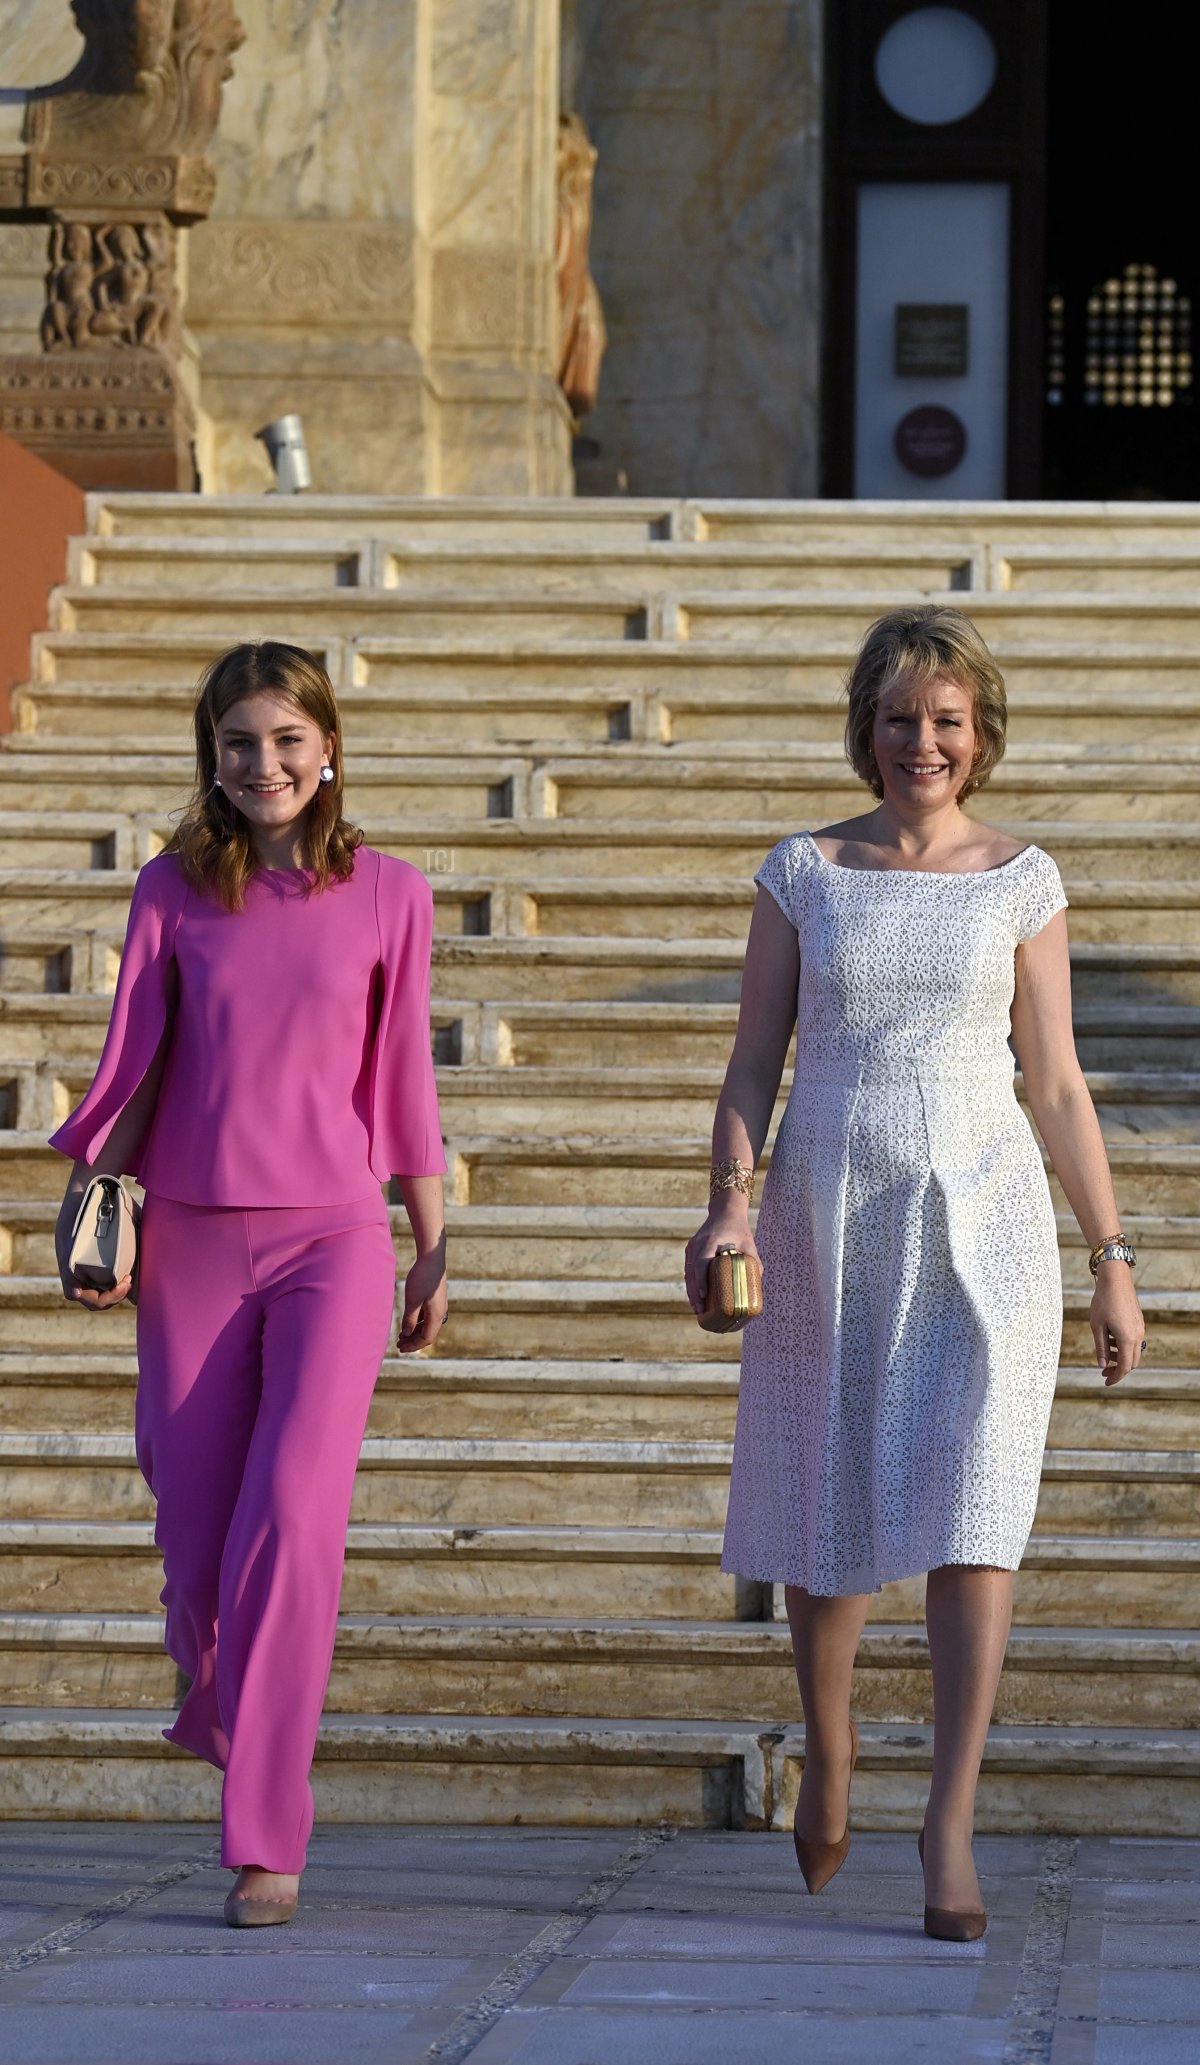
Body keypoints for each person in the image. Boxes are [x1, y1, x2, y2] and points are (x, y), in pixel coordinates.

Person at [685, 605, 1145, 1941]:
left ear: (980, 734)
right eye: (898, 717)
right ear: (865, 731)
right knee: (831, 1501)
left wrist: (1110, 1256)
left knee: (973, 1504)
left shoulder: (1023, 877)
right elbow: (750, 1066)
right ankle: (830, 1749)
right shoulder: (804, 871)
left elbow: (1057, 1080)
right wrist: (730, 1208)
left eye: (945, 719)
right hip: (829, 1202)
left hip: (987, 1209)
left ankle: (950, 1817)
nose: (922, 741)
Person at [50, 641, 448, 1928]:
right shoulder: (171, 889)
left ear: (327, 748)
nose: (264, 764)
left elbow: (402, 1080)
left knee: (292, 1515)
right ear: (210, 760)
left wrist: (430, 1233)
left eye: (286, 739)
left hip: (334, 1239)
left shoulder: (393, 892)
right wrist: (93, 1210)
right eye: (238, 744)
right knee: (190, 1529)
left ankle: (269, 1829)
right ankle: (226, 1702)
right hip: (194, 1243)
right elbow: (131, 1063)